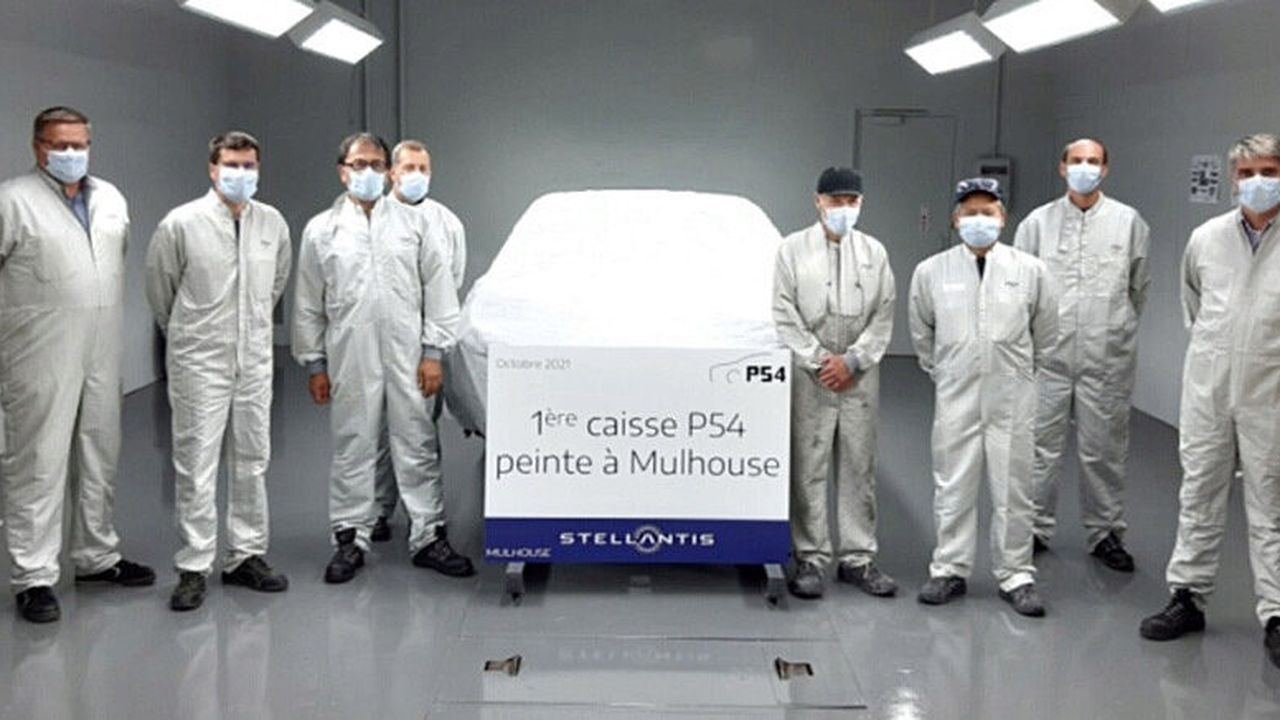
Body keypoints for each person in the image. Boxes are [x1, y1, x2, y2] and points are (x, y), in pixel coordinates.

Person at [292, 132, 475, 584]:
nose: (369, 172)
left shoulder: (416, 225)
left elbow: (440, 289)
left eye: (376, 164)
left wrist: (433, 352)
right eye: (359, 164)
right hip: (350, 354)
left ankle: (428, 535)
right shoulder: (322, 230)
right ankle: (350, 536)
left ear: (387, 171)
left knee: (417, 441)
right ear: (343, 171)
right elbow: (308, 301)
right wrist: (315, 363)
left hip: (409, 353)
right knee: (354, 443)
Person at [0, 106, 155, 623]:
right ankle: (34, 576)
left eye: (79, 144)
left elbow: (114, 262)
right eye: (59, 145)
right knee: (37, 461)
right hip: (36, 350)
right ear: (37, 147)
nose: (71, 153)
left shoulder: (110, 198)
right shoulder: (12, 201)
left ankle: (96, 556)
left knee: (98, 451)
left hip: (101, 345)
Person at [1140, 134, 1280, 671]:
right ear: (1232, 179)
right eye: (1246, 172)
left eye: (1269, 170)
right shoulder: (1206, 238)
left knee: (1271, 502)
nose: (1257, 181)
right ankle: (1187, 597)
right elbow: (1193, 306)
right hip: (1210, 387)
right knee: (1199, 492)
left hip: (1271, 392)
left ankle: (1276, 614)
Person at [145, 131, 293, 611]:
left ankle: (246, 554)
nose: (240, 173)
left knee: (253, 458)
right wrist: (192, 335)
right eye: (231, 164)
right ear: (212, 168)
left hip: (254, 358)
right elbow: (161, 292)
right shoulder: (181, 224)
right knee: (196, 462)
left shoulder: (272, 224)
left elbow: (275, 284)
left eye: (249, 165)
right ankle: (194, 565)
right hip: (199, 359)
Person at [908, 177, 1058, 617]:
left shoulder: (1030, 271)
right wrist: (945, 370)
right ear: (955, 219)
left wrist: (1019, 371)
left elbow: (1046, 331)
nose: (979, 220)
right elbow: (922, 331)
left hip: (1012, 394)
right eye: (970, 212)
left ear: (1003, 217)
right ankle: (949, 568)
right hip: (956, 394)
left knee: (1014, 487)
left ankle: (1016, 574)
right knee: (953, 484)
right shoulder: (931, 272)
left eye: (987, 212)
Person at [1013, 138, 1151, 571]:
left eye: (1093, 161)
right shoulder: (1037, 224)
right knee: (1038, 446)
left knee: (1104, 449)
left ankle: (1105, 532)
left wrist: (1113, 328)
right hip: (1047, 357)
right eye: (1077, 161)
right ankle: (1033, 527)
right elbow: (1020, 288)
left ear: (1105, 169)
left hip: (1105, 357)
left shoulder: (1128, 223)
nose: (1084, 168)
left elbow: (1138, 286)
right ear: (1062, 167)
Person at [773, 167, 897, 600]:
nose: (844, 208)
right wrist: (819, 359)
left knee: (859, 464)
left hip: (859, 374)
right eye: (836, 200)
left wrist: (854, 360)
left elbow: (883, 313)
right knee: (808, 465)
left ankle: (858, 558)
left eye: (851, 201)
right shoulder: (792, 250)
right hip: (812, 374)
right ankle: (810, 557)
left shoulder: (875, 252)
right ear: (818, 201)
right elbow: (783, 311)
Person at [370, 139, 468, 543]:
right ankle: (376, 510)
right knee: (373, 434)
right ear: (391, 172)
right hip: (372, 346)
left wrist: (432, 350)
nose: (416, 176)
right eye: (408, 168)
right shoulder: (372, 218)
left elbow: (448, 287)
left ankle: (426, 525)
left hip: (419, 347)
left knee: (417, 435)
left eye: (423, 169)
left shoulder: (446, 222)